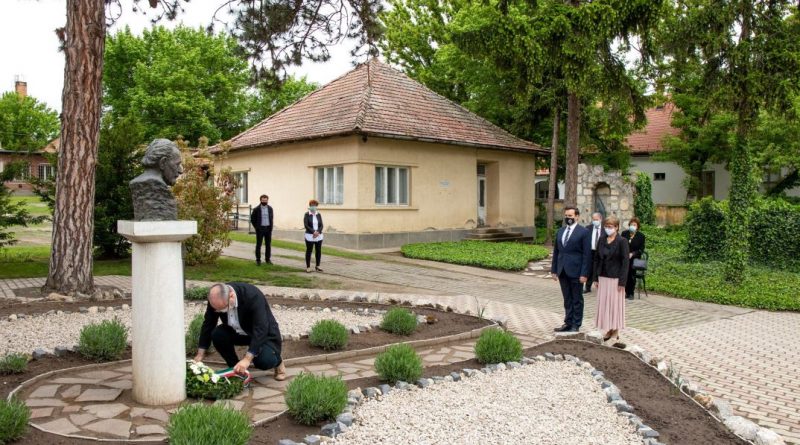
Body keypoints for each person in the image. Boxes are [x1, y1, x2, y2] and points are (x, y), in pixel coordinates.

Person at [194, 282, 286, 381]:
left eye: (223, 309)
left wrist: (247, 359)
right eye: (217, 310)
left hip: (263, 333)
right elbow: (209, 324)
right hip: (238, 332)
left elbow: (261, 329)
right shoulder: (216, 299)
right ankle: (236, 369)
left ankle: (278, 361)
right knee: (217, 334)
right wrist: (200, 354)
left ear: (231, 296)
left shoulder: (252, 295)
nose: (220, 312)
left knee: (264, 361)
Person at [551, 207, 593, 332]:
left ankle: (576, 324)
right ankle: (568, 322)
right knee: (567, 298)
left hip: (576, 271)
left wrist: (584, 273)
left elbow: (587, 255)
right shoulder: (560, 231)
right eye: (566, 215)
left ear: (577, 217)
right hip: (562, 270)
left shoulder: (584, 232)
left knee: (577, 299)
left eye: (570, 216)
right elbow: (556, 252)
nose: (568, 218)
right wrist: (554, 270)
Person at [592, 216, 630, 342]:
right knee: (605, 305)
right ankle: (608, 329)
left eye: (610, 226)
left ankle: (615, 330)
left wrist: (622, 281)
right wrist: (595, 277)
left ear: (617, 227)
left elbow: (625, 262)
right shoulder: (602, 239)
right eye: (606, 226)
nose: (608, 229)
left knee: (615, 305)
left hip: (616, 279)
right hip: (603, 277)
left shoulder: (622, 241)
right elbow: (596, 258)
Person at [129, 139, 183, 221]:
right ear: (163, 163)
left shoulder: (135, 183)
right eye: (177, 164)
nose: (180, 171)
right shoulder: (156, 187)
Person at [623, 217, 646, 300]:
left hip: (634, 259)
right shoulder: (624, 233)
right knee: (625, 274)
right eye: (631, 224)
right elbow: (621, 245)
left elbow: (641, 250)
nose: (632, 226)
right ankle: (625, 292)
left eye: (634, 225)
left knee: (631, 274)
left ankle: (631, 293)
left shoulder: (641, 236)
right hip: (624, 258)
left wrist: (632, 254)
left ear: (637, 226)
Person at [250, 194, 274, 265]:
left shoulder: (270, 208)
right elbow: (252, 219)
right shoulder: (256, 209)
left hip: (268, 229)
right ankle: (258, 260)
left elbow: (271, 218)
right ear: (260, 200)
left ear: (267, 200)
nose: (264, 201)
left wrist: (271, 227)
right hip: (260, 230)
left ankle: (267, 259)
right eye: (263, 200)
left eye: (266, 200)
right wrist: (256, 227)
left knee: (268, 245)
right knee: (259, 245)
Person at [584, 212, 605, 293]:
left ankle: (601, 287)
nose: (595, 221)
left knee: (600, 268)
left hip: (600, 252)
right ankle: (587, 287)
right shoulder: (588, 228)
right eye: (593, 219)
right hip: (590, 251)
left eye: (597, 219)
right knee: (589, 269)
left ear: (600, 219)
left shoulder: (604, 229)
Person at [303, 200, 324, 273]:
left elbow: (321, 225)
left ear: (316, 206)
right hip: (309, 235)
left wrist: (318, 232)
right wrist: (313, 232)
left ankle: (318, 266)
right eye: (312, 205)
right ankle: (308, 267)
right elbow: (306, 225)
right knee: (309, 251)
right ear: (310, 206)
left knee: (318, 251)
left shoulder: (319, 214)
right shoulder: (307, 214)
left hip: (319, 235)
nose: (313, 206)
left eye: (315, 205)